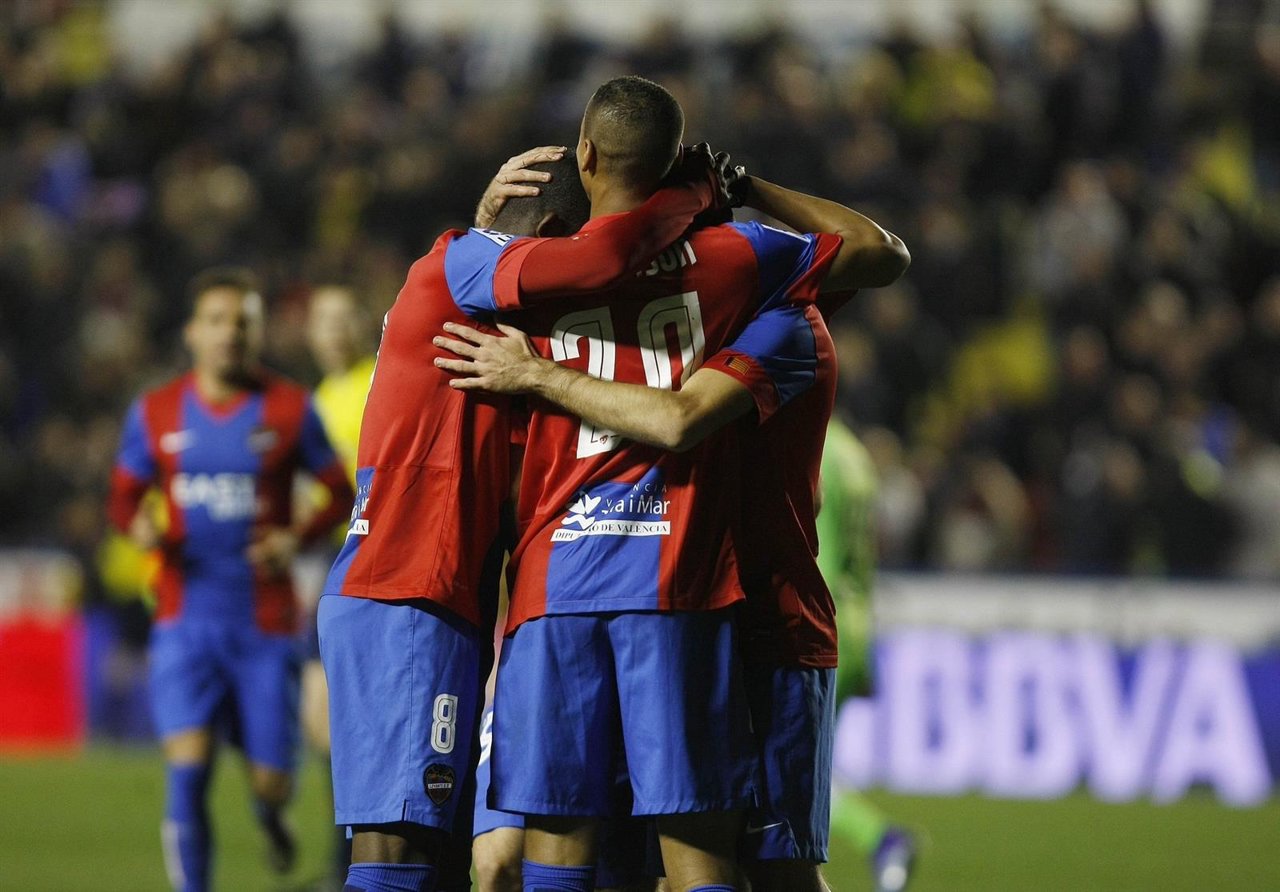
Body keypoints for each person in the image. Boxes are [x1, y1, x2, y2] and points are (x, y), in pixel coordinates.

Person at [432, 75, 867, 892]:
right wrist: (738, 186)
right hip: (684, 590)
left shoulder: (527, 276)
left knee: (560, 848)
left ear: (586, 154)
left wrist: (491, 230)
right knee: (696, 852)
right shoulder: (746, 267)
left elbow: (469, 274)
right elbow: (878, 252)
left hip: (572, 586)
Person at [317, 143, 732, 892]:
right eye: (571, 240)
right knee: (396, 856)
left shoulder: (484, 310)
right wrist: (694, 192)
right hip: (406, 589)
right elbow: (603, 262)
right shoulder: (466, 262)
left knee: (432, 856)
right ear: (546, 235)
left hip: (427, 591)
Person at [107, 267, 356, 892]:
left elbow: (338, 492)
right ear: (192, 332)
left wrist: (295, 536)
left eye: (242, 322)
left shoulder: (289, 408)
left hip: (264, 624)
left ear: (258, 332)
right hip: (184, 617)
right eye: (216, 320)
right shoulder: (156, 411)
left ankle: (271, 814)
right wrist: (137, 525)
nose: (230, 334)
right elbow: (123, 497)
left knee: (271, 783)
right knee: (188, 767)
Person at [818, 417, 917, 892]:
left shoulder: (815, 449)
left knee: (785, 773)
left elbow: (821, 559)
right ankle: (882, 840)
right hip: (855, 623)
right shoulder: (855, 455)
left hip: (822, 622)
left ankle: (882, 838)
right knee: (807, 771)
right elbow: (864, 559)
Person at [303, 283, 378, 883]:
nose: (334, 330)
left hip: (372, 558)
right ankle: (343, 857)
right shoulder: (318, 399)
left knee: (351, 716)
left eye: (343, 317)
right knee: (320, 717)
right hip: (330, 562)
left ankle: (353, 862)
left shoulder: (377, 382)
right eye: (323, 319)